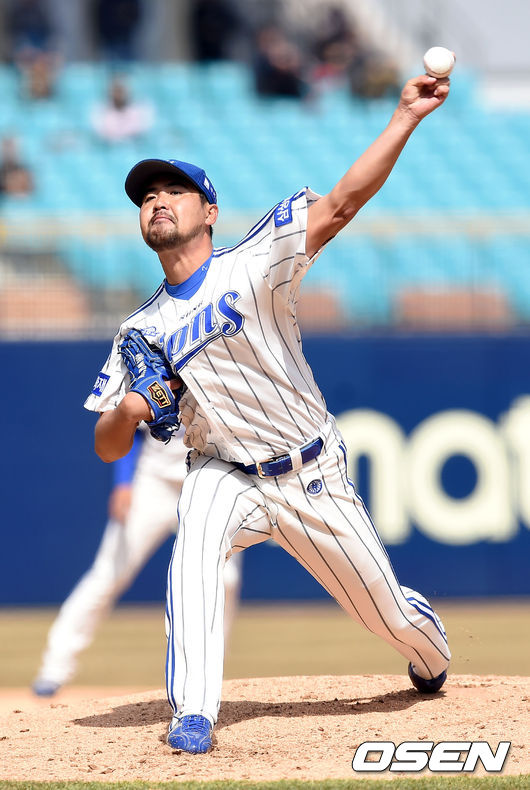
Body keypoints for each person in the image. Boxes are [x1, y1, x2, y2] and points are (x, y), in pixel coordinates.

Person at [84, 69, 453, 754]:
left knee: (386, 616)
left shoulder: (253, 263)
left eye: (174, 191)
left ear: (210, 211)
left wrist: (406, 115)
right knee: (194, 545)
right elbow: (107, 445)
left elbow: (341, 203)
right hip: (225, 471)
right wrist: (130, 408)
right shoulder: (140, 330)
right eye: (147, 196)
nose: (157, 201)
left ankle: (428, 648)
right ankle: (194, 712)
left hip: (310, 473)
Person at [32, 425, 242, 696]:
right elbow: (132, 428)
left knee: (226, 580)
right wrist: (123, 483)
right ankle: (54, 668)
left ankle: (208, 678)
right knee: (109, 574)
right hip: (155, 481)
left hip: (211, 481)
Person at [90, 76, 155, 145]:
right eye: (116, 91)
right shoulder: (101, 111)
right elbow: (102, 133)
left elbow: (138, 132)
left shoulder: (137, 110)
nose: (118, 95)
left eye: (120, 91)